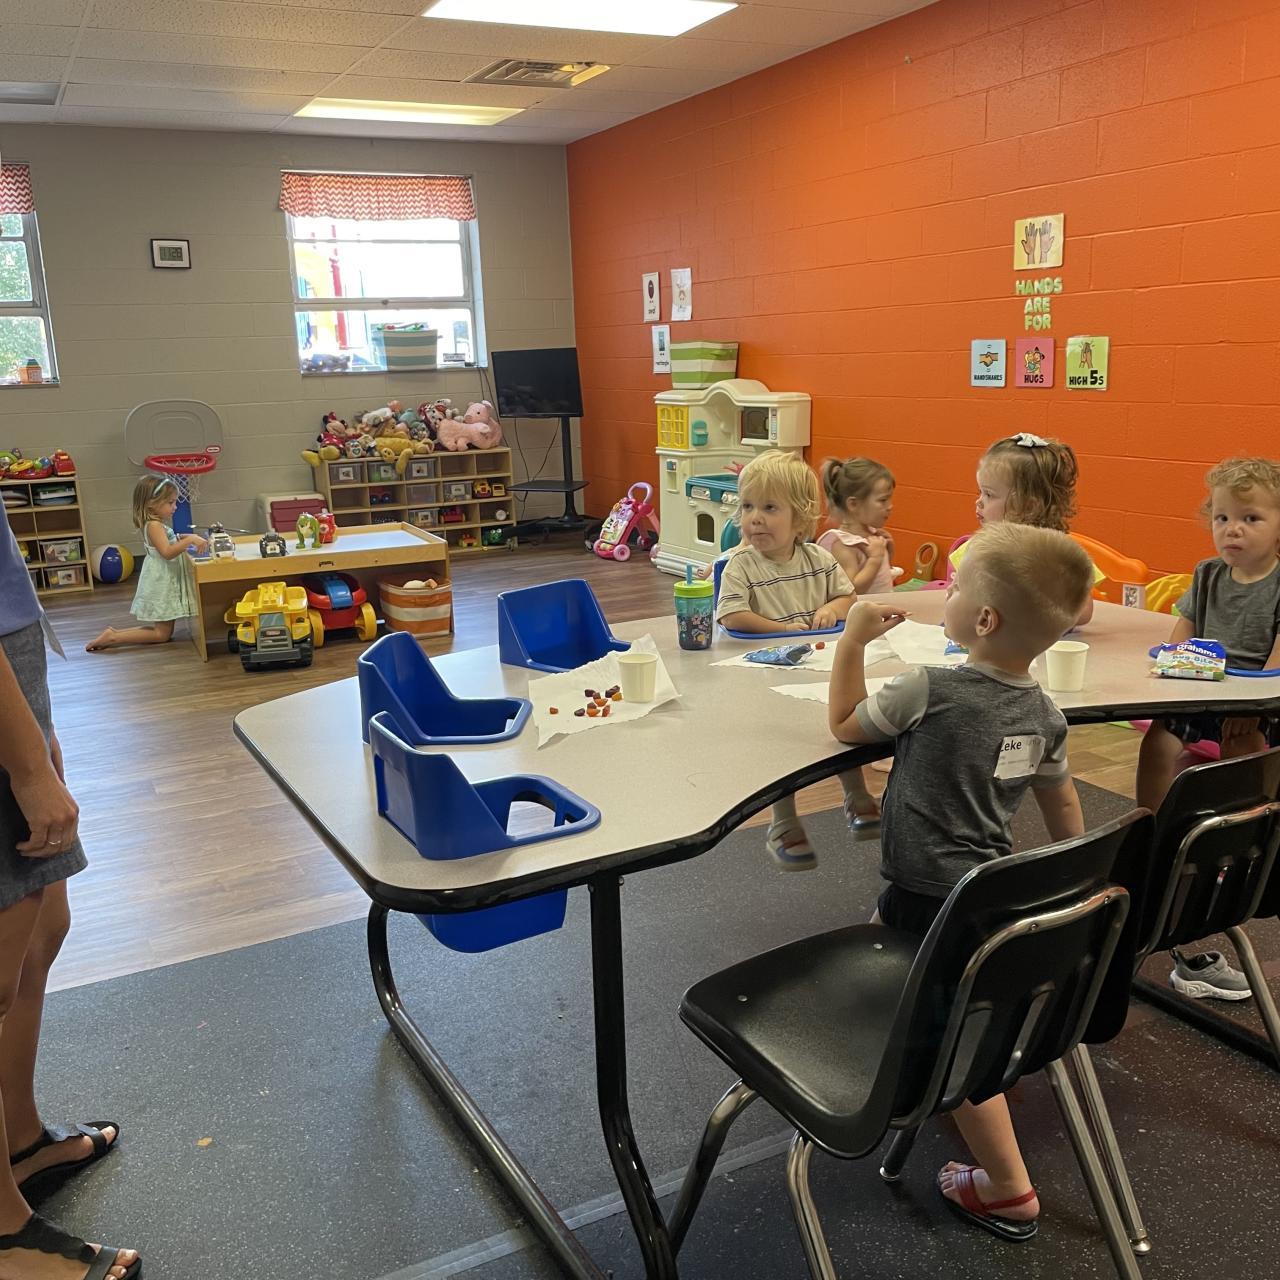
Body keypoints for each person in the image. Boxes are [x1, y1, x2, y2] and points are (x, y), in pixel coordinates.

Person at [827, 522, 1093, 1242]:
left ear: (983, 620)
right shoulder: (1045, 715)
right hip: (989, 890)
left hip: (929, 896)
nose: (944, 597)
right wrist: (1073, 874)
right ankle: (892, 1041)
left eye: (955, 589)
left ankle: (1009, 1188)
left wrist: (851, 640)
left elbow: (845, 724)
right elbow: (1063, 804)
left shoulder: (929, 689)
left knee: (953, 1047)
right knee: (889, 955)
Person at [0, 507, 141, 1277]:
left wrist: (34, 728)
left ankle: (19, 1141)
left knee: (42, 928)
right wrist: (25, 764)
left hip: (12, 657)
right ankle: (3, 1234)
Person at [1135, 456, 1280, 1002]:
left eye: (1250, 519)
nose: (1232, 530)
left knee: (1247, 749)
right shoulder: (1207, 574)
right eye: (1222, 518)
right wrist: (1170, 665)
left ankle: (1238, 840)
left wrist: (1254, 702)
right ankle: (1152, 829)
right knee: (1159, 740)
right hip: (1206, 685)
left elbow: (1276, 663)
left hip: (1254, 696)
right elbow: (1182, 634)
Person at [715, 451, 878, 869]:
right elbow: (732, 615)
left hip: (815, 670)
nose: (755, 518)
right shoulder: (740, 565)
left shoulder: (818, 560)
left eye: (770, 508)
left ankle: (856, 795)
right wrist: (781, 629)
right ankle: (783, 822)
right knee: (783, 747)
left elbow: (847, 598)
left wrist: (831, 610)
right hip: (763, 676)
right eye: (747, 506)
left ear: (801, 518)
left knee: (841, 726)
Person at [959, 432, 1096, 625]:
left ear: (1029, 506)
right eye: (980, 492)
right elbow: (960, 600)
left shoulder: (1054, 552)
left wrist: (1036, 608)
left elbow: (1083, 611)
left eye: (989, 494)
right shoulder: (979, 547)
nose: (979, 502)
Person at [87, 475, 207, 652]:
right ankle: (113, 637)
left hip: (163, 577)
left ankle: (114, 635)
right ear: (152, 503)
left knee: (163, 632)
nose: (175, 507)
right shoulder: (154, 525)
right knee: (161, 634)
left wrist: (185, 537)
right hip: (162, 580)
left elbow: (169, 539)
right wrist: (190, 540)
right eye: (170, 503)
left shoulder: (156, 524)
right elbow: (167, 552)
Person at [815, 456, 899, 595]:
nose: (890, 506)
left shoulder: (872, 536)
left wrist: (887, 554)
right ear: (853, 504)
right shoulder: (843, 545)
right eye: (883, 500)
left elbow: (877, 581)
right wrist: (875, 559)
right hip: (859, 609)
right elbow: (851, 590)